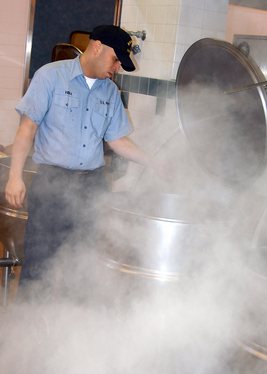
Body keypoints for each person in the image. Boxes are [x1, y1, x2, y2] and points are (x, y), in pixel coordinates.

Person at [5, 25, 155, 286]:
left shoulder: (109, 92)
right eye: (116, 59)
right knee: (40, 263)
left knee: (86, 264)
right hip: (53, 184)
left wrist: (154, 162)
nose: (117, 67)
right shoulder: (50, 77)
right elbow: (27, 129)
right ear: (97, 47)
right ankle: (32, 322)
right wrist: (14, 177)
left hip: (92, 187)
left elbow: (117, 140)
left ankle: (75, 322)